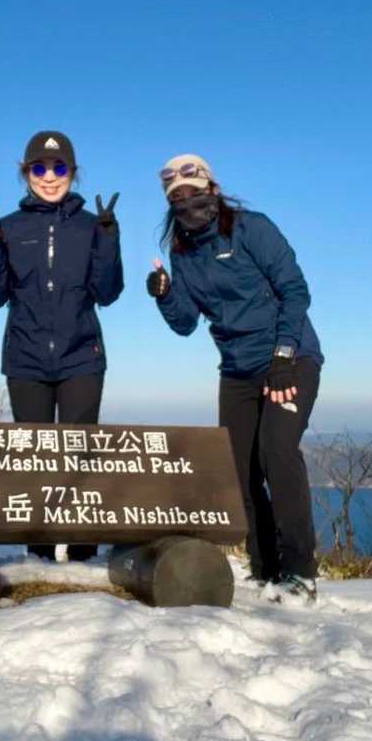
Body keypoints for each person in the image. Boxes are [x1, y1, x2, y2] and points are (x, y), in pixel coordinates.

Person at [145, 153, 323, 603]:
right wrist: (164, 295)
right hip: (237, 370)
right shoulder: (183, 253)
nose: (187, 203)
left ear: (214, 190)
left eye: (194, 192)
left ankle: (300, 573)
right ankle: (265, 571)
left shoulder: (252, 229)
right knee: (239, 470)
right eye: (177, 198)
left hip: (290, 358)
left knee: (277, 453)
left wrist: (283, 357)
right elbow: (185, 323)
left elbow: (295, 290)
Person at [0, 130, 124, 561]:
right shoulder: (10, 227)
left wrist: (108, 241)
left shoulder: (92, 226)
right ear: (26, 174)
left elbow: (108, 292)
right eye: (39, 167)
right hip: (25, 359)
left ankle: (82, 554)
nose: (49, 176)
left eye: (59, 167)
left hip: (82, 357)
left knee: (79, 457)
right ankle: (38, 553)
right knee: (35, 459)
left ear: (73, 172)